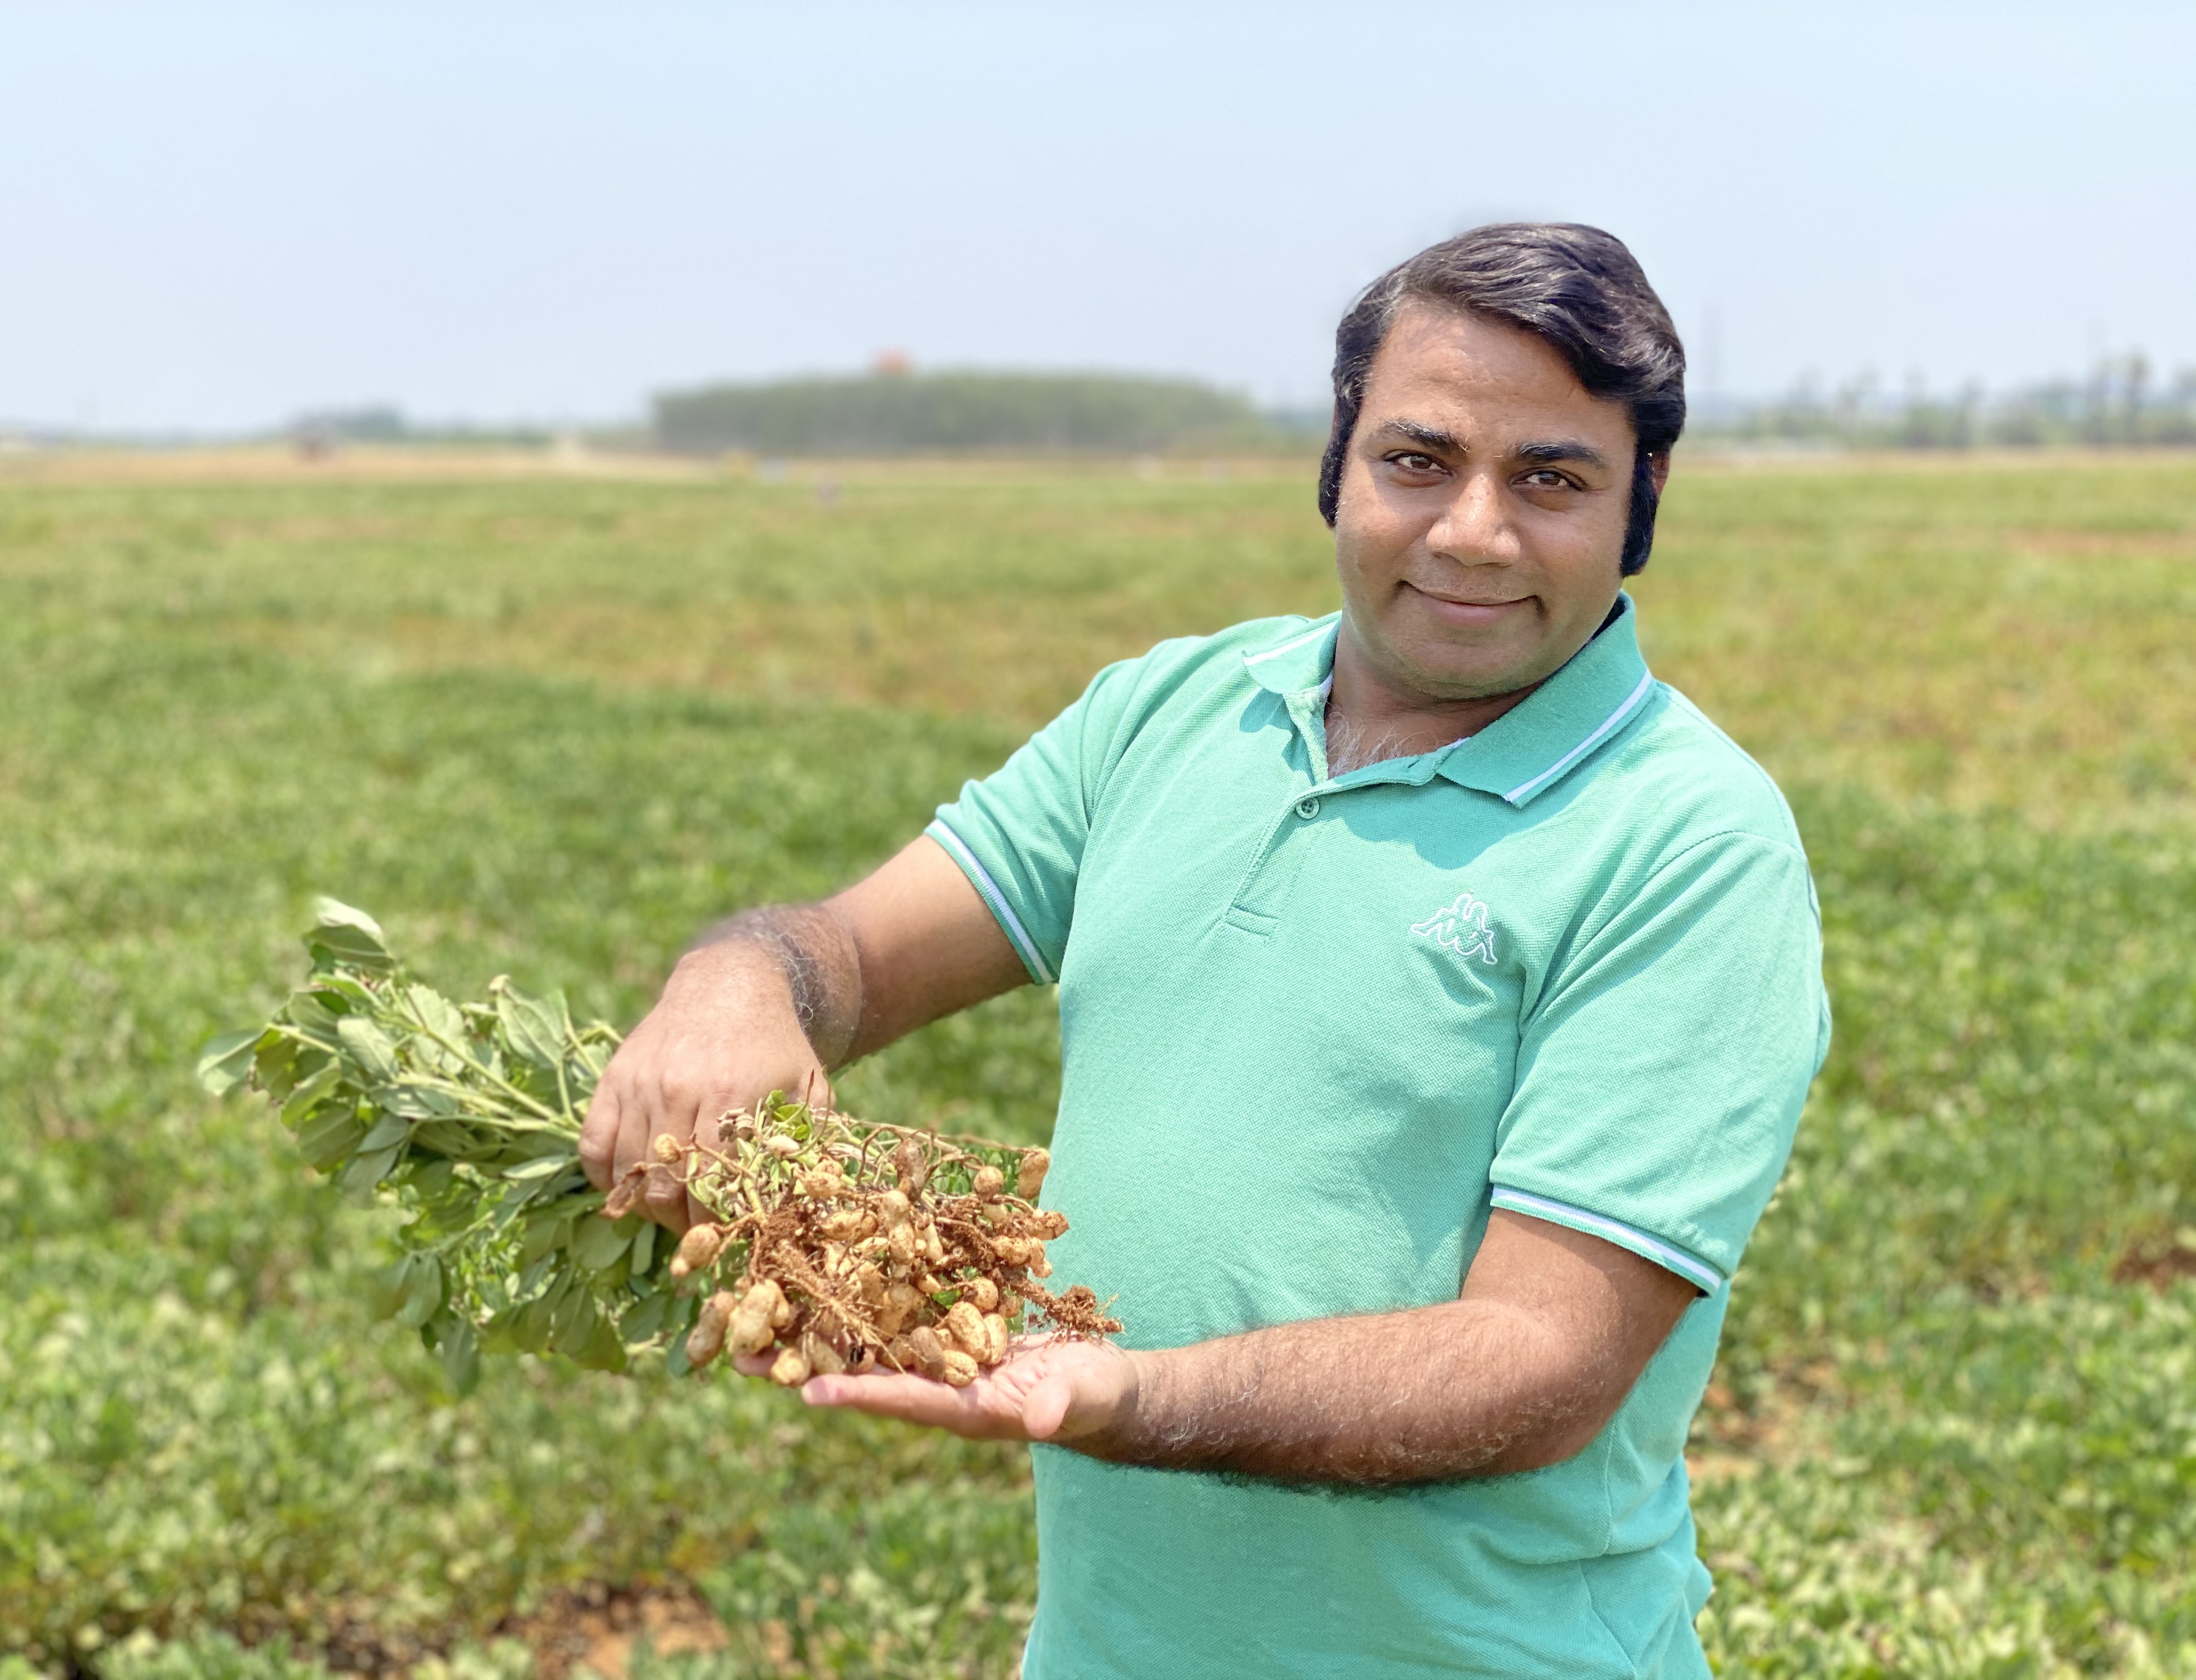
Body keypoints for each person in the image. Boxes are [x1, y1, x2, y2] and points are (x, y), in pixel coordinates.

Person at [581, 223, 1829, 1679]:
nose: (1474, 533)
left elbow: (1538, 1366)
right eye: (1418, 461)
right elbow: (849, 952)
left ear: (1643, 503)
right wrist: (731, 987)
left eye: (1551, 479)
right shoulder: (1174, 710)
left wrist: (1125, 1398)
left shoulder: (1687, 842)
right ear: (1337, 462)